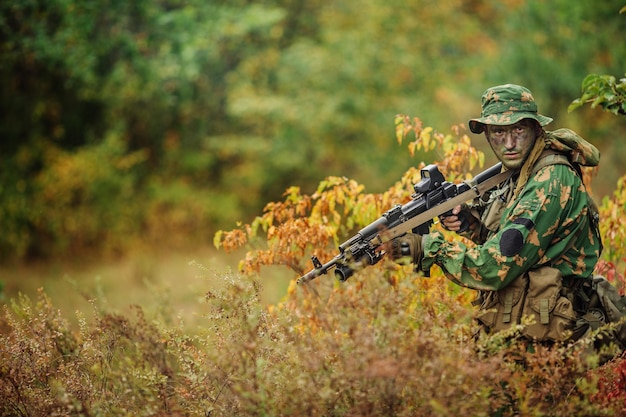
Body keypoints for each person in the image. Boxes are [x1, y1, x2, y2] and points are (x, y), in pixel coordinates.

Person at [389, 83, 609, 344]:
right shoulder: (521, 171)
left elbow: (496, 267)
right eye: (498, 132)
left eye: (518, 129)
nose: (509, 143)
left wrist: (428, 248)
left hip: (550, 339)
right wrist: (469, 224)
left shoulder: (550, 180)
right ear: (487, 134)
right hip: (524, 326)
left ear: (536, 128)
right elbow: (514, 241)